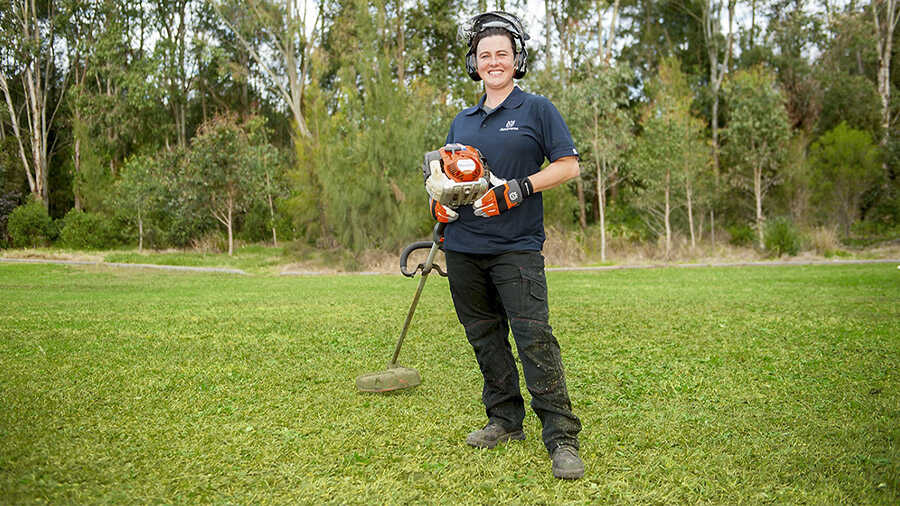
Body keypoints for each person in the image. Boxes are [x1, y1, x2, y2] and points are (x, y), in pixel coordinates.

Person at [428, 11, 584, 480]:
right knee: (484, 336)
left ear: (516, 60)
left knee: (535, 338)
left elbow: (568, 166)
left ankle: (561, 436)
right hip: (464, 248)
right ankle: (504, 419)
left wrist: (518, 189)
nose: (493, 61)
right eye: (485, 55)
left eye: (502, 54)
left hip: (516, 247)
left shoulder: (537, 109)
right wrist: (442, 206)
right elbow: (451, 176)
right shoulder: (462, 120)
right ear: (474, 64)